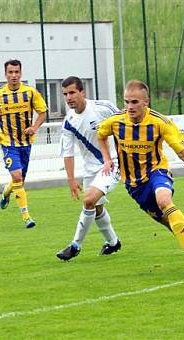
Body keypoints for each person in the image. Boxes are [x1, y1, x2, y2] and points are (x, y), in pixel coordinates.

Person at [97, 80, 184, 271]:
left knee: (164, 201)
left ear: (146, 101)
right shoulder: (116, 121)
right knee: (170, 223)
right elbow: (100, 135)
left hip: (157, 172)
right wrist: (107, 159)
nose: (129, 107)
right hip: (134, 184)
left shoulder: (160, 122)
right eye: (126, 102)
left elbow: (182, 152)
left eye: (134, 102)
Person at [55, 76, 122, 261]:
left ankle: (75, 246)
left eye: (72, 93)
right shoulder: (68, 121)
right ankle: (113, 242)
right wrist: (71, 181)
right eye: (65, 94)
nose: (68, 98)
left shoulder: (103, 108)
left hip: (112, 163)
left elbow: (124, 124)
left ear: (82, 92)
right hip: (91, 169)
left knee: (89, 201)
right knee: (96, 207)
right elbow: (67, 153)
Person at [0, 59, 48, 228]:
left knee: (20, 180)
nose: (14, 75)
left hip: (26, 142)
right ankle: (26, 216)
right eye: (10, 72)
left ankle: (6, 192)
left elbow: (42, 112)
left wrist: (34, 127)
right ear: (5, 74)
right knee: (17, 176)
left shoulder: (30, 92)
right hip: (7, 142)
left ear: (21, 73)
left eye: (16, 72)